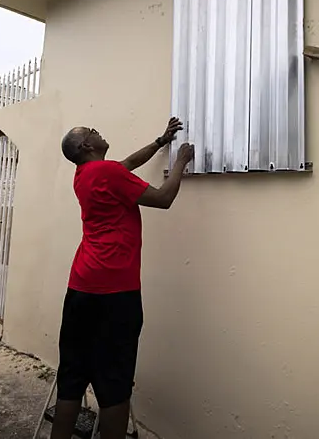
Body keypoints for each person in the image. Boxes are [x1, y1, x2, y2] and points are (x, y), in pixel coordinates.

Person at [52, 118, 194, 439]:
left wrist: (160, 141)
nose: (98, 131)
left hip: (81, 287)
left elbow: (128, 163)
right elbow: (163, 198)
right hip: (115, 292)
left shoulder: (85, 174)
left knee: (72, 376)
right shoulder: (108, 173)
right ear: (86, 146)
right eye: (92, 131)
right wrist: (181, 162)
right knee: (114, 380)